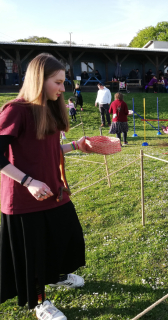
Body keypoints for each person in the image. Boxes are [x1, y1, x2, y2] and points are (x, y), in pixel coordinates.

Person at [0, 53, 87, 320]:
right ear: (40, 79)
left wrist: (75, 145)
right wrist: (27, 182)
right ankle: (40, 303)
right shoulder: (16, 110)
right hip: (25, 199)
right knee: (34, 255)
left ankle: (56, 276)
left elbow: (45, 150)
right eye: (58, 82)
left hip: (53, 192)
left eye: (64, 83)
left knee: (66, 237)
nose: (63, 89)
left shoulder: (48, 108)